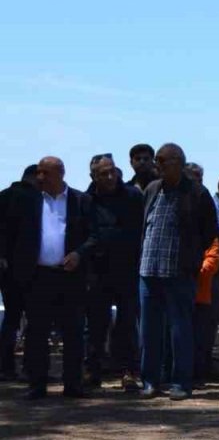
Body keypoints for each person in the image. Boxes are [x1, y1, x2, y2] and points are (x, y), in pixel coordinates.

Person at [4, 157, 99, 399]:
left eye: (45, 173)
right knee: (37, 332)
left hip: (70, 277)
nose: (40, 177)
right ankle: (37, 385)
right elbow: (11, 234)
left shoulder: (82, 201)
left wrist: (79, 254)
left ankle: (73, 385)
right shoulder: (28, 201)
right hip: (38, 277)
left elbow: (95, 235)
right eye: (38, 172)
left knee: (73, 332)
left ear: (60, 174)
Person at [139, 144, 219, 400]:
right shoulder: (152, 189)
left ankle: (181, 382)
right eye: (156, 161)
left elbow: (209, 232)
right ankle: (150, 381)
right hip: (148, 270)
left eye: (162, 160)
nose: (157, 165)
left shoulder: (197, 192)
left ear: (178, 162)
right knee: (150, 330)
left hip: (179, 272)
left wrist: (192, 259)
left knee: (180, 329)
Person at [85, 154, 144, 390]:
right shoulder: (86, 200)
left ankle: (129, 371)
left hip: (128, 269)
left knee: (128, 323)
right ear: (93, 176)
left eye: (112, 171)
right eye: (103, 173)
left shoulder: (132, 196)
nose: (109, 177)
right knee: (96, 325)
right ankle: (93, 371)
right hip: (98, 272)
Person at [184, 163, 219, 385]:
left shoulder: (206, 206)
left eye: (200, 176)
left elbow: (213, 256)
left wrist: (192, 272)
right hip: (182, 288)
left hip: (203, 290)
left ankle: (200, 372)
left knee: (203, 335)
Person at [0, 164, 39, 380]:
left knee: (11, 319)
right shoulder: (35, 199)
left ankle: (6, 367)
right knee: (34, 320)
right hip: (31, 268)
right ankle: (31, 368)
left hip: (7, 269)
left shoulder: (4, 196)